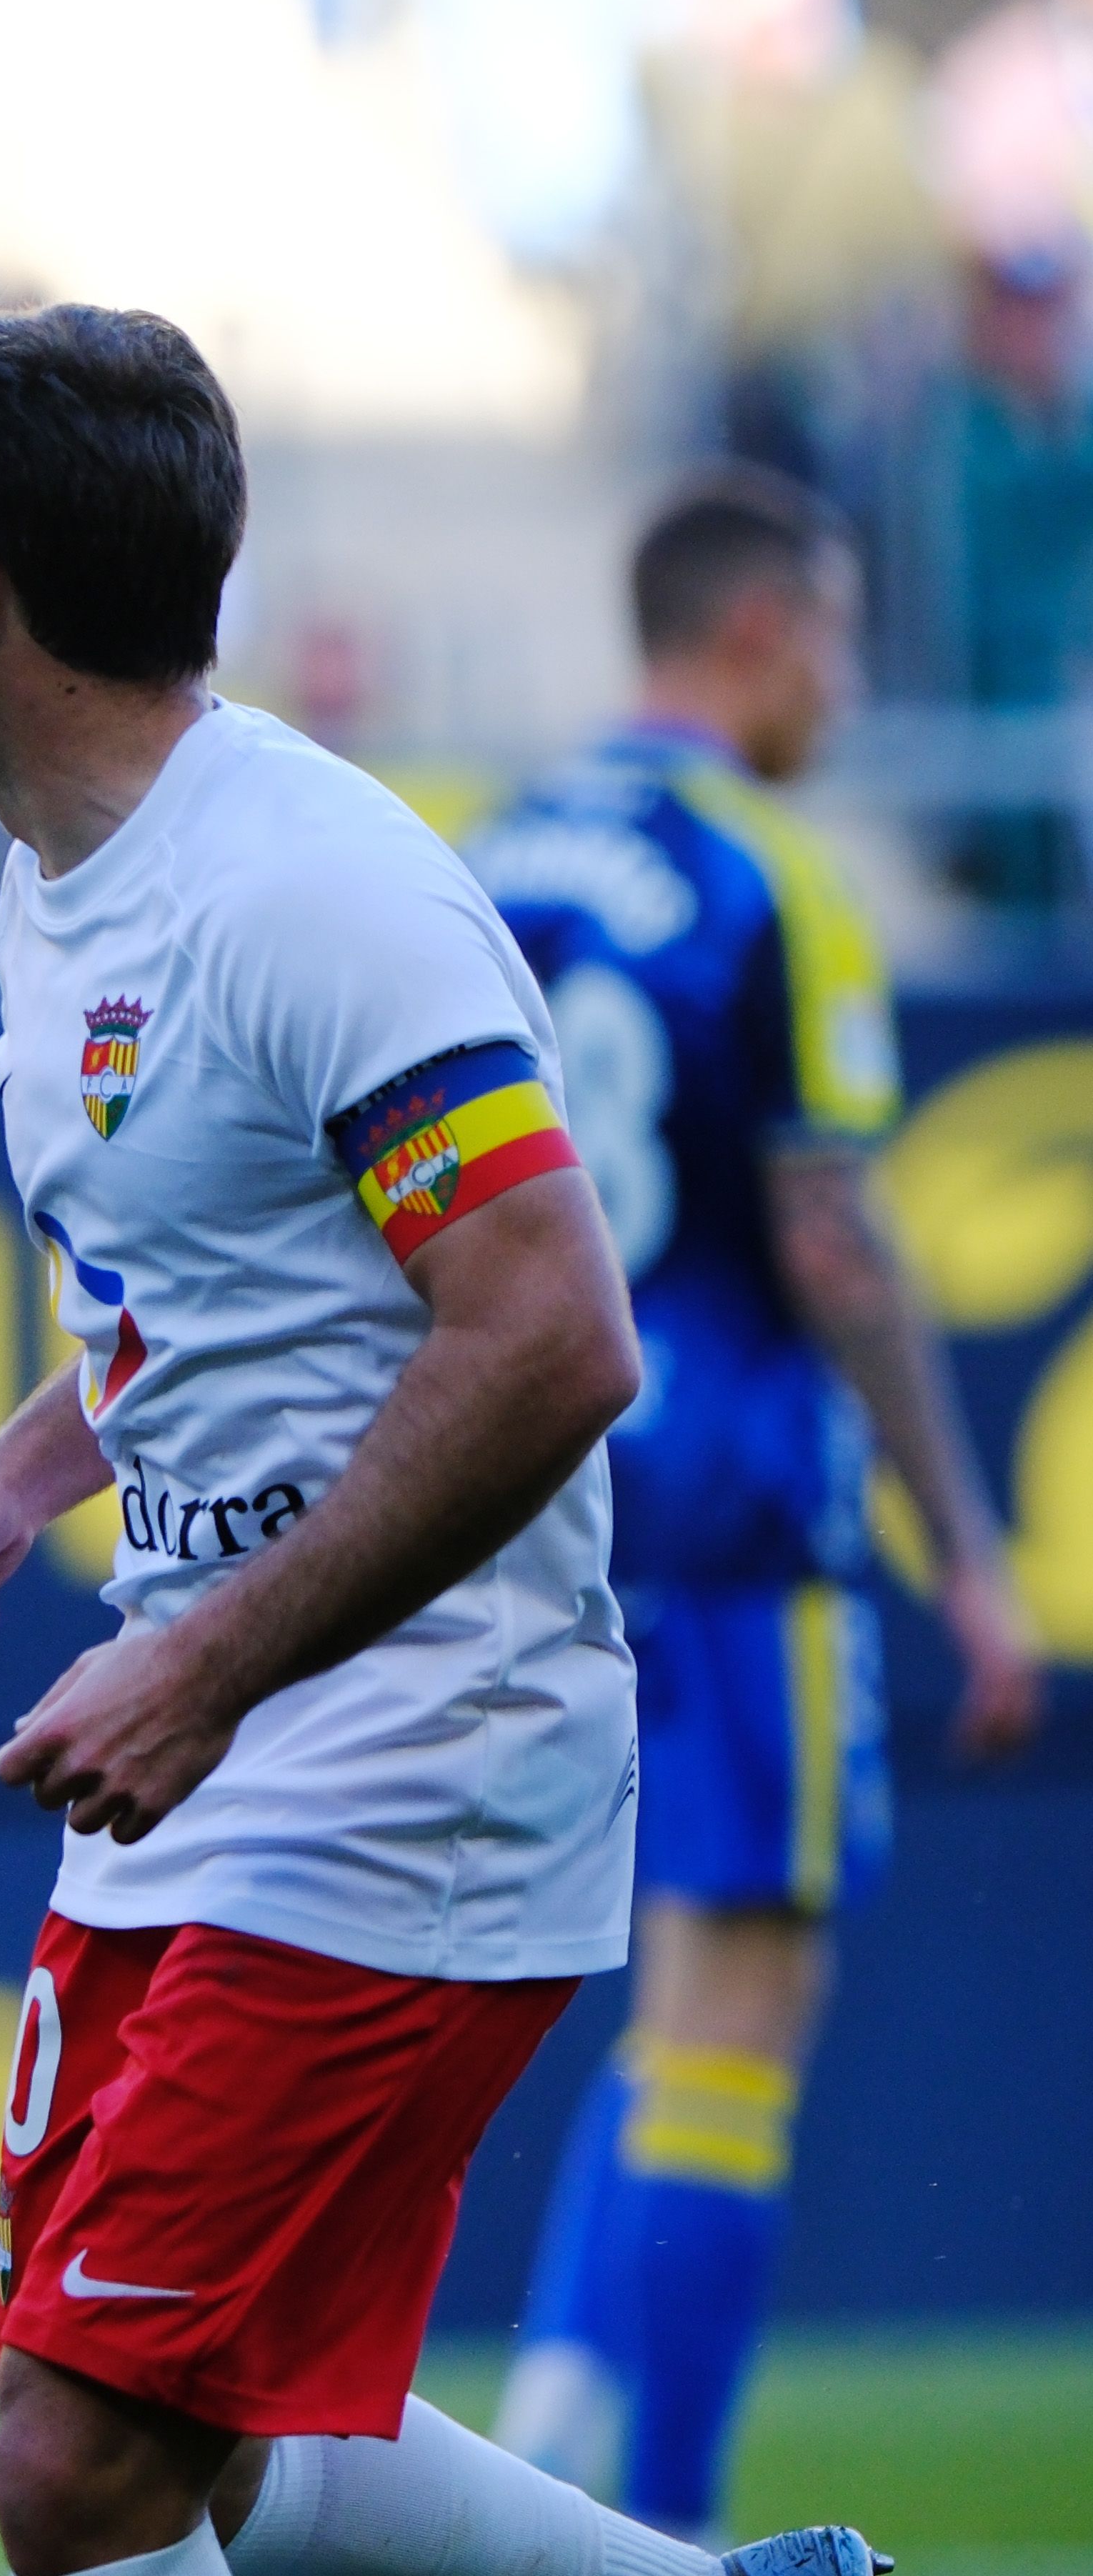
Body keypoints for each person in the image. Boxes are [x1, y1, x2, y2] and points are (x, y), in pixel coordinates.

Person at [0, 286, 888, 2576]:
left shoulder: (315, 887)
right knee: (178, 2434)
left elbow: (555, 1337)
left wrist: (204, 1665)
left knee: (78, 2461)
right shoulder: (55, 877)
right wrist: (13, 1486)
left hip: (416, 1737)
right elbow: (206, 1290)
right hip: (223, 1730)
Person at [476, 470, 1051, 2537]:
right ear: (752, 634)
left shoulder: (488, 861)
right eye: (831, 634)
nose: (847, 682)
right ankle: (677, 2528)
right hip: (735, 1504)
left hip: (534, 1494)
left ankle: (553, 2432)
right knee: (740, 2005)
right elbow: (832, 1238)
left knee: (663, 2011)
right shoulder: (769, 875)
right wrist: (967, 1553)